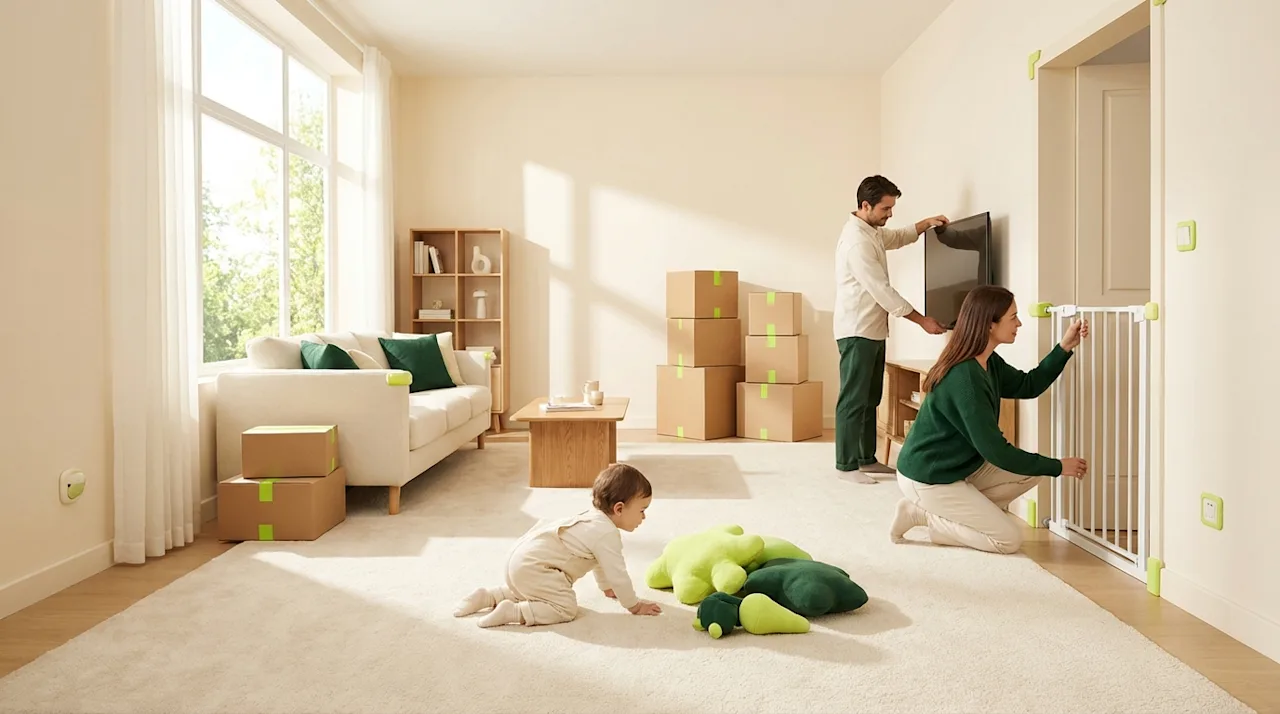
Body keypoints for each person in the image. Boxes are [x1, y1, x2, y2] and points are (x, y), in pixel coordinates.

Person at [889, 286, 1090, 554]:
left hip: (958, 469)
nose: (1019, 323)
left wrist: (1064, 347)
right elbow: (995, 451)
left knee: (1032, 472)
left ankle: (959, 509)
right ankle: (923, 515)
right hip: (928, 477)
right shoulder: (965, 379)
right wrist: (1058, 466)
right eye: (1013, 317)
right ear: (990, 325)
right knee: (1007, 540)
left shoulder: (987, 362)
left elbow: (1028, 385)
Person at [834, 175, 950, 483]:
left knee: (870, 398)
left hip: (872, 330)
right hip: (857, 330)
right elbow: (882, 291)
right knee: (853, 400)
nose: (890, 214)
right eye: (886, 208)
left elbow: (896, 237)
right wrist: (922, 320)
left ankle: (865, 458)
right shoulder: (856, 241)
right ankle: (846, 466)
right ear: (865, 205)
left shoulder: (871, 230)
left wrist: (924, 224)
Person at [454, 463, 663, 627]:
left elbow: (599, 563)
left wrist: (606, 588)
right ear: (619, 509)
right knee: (565, 607)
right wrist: (634, 605)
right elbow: (618, 572)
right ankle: (514, 612)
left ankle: (489, 596)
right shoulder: (607, 534)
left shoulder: (594, 521)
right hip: (536, 568)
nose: (644, 517)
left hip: (521, 561)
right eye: (642, 510)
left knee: (536, 590)